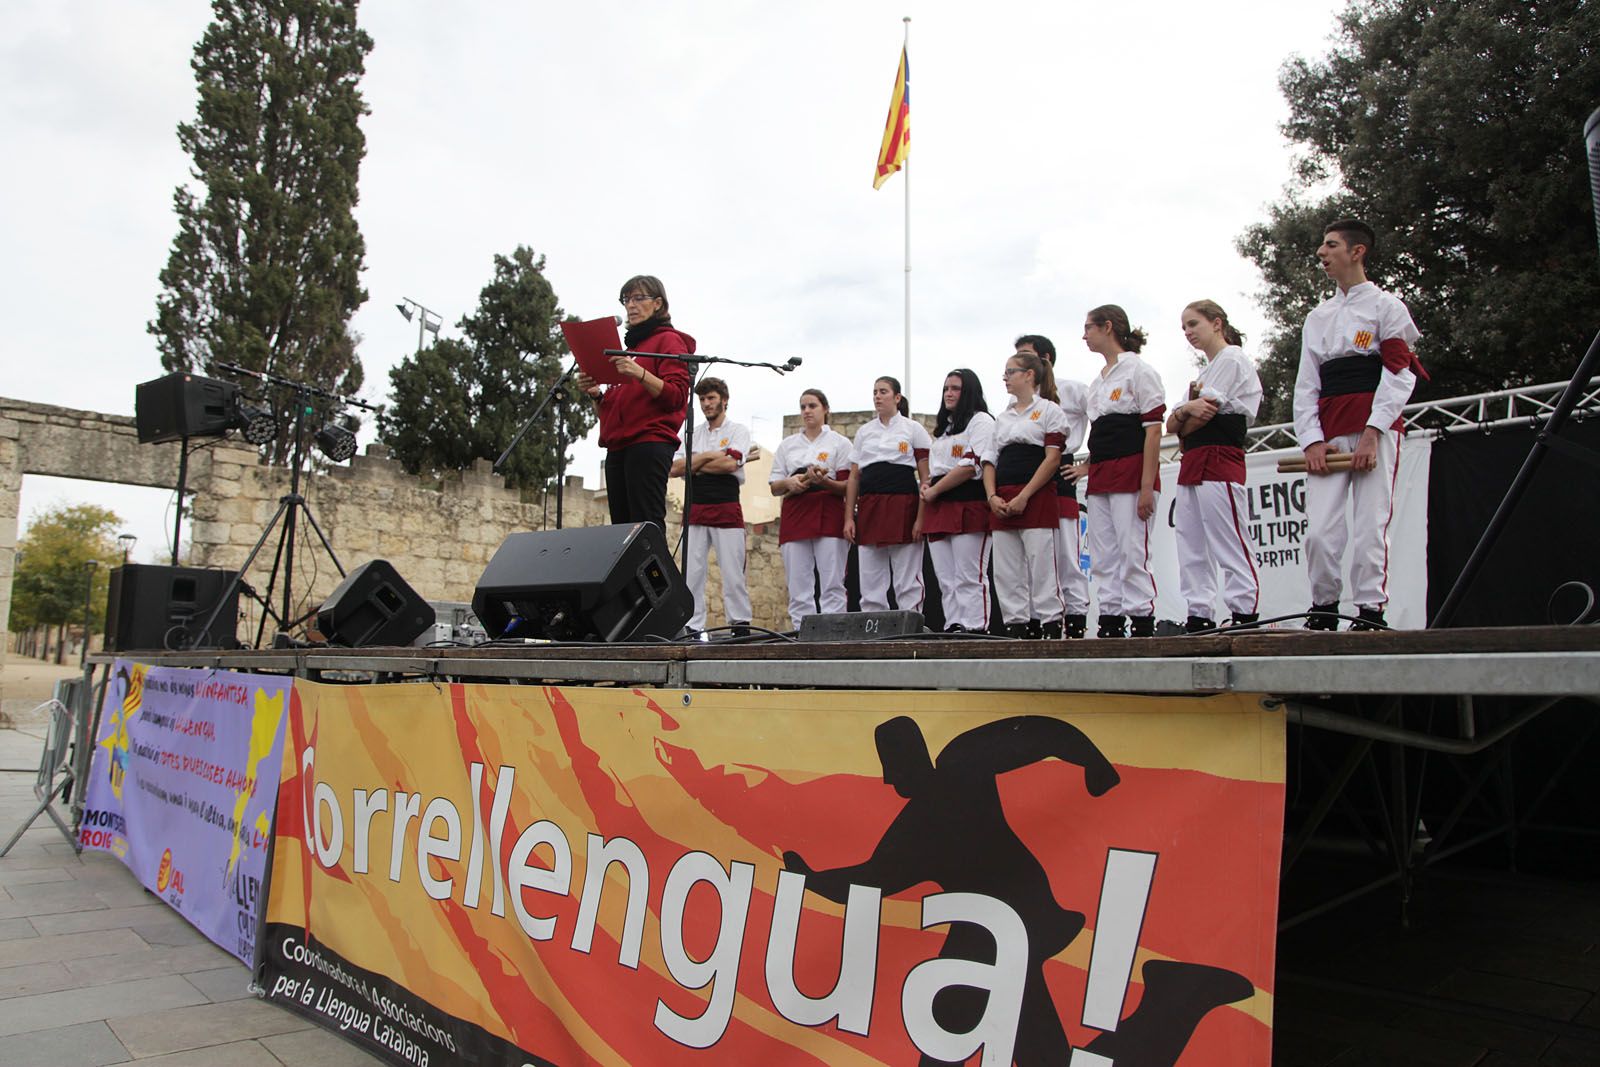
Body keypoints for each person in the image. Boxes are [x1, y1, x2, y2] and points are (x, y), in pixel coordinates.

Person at [1293, 220, 1425, 631]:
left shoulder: (1387, 307)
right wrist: (1313, 441)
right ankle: (1324, 607)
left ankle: (1370, 611)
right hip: (1330, 432)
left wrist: (1374, 431)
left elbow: (1400, 372)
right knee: (1319, 531)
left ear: (1357, 251)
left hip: (1375, 429)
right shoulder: (1318, 317)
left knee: (1371, 525)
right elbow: (1306, 384)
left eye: (1331, 245)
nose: (1321, 253)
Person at [1167, 300, 1263, 633]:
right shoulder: (1203, 374)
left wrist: (1184, 416)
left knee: (1228, 538)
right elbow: (1174, 425)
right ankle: (1199, 612)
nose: (1188, 332)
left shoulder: (1232, 358)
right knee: (1191, 542)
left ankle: (1244, 611)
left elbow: (1202, 414)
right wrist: (1183, 415)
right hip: (1194, 461)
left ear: (1217, 323)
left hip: (1220, 456)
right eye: (1184, 327)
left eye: (1193, 324)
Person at [1074, 305, 1166, 638]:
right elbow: (1100, 436)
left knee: (1133, 550)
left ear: (1108, 327)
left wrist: (1146, 486)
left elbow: (1153, 431)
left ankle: (1141, 618)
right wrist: (1088, 467)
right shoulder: (1097, 383)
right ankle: (1110, 618)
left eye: (1089, 328)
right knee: (1103, 553)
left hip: (1131, 471)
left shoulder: (1138, 371)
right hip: (1101, 477)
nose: (1084, 335)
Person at [575, 275, 693, 530]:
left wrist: (639, 373)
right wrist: (596, 394)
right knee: (622, 532)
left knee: (645, 527)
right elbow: (613, 412)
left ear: (658, 304)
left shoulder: (668, 341)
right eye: (626, 300)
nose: (630, 305)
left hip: (649, 444)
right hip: (618, 447)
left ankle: (658, 572)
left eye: (639, 298)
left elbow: (676, 396)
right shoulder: (630, 350)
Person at [984, 352, 1070, 638]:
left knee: (1042, 563)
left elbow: (1052, 459)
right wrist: (992, 496)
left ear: (1029, 375)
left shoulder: (1048, 410)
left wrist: (1025, 495)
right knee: (1006, 570)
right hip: (1003, 494)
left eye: (1011, 371)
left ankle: (1051, 624)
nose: (1006, 377)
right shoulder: (1003, 417)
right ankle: (1015, 626)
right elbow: (990, 461)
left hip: (1035, 493)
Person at [1017, 335, 1090, 638]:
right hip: (1029, 474)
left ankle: (1075, 620)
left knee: (1066, 554)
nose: (1020, 366)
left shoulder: (1074, 390)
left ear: (1045, 359)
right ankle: (1039, 621)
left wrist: (1088, 465)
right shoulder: (1018, 401)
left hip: (1060, 470)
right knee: (1035, 555)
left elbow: (1104, 421)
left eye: (1026, 357)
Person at [844, 377, 931, 613]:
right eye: (874, 392)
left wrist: (921, 518)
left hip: (904, 504)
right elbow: (854, 477)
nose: (877, 396)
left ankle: (911, 623)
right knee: (870, 577)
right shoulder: (864, 432)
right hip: (870, 506)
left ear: (897, 397)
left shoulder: (913, 429)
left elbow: (925, 477)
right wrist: (849, 518)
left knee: (907, 577)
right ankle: (874, 627)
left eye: (883, 391)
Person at [670, 377, 750, 635]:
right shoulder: (691, 433)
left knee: (732, 571)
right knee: (692, 572)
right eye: (702, 399)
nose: (706, 404)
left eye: (711, 398)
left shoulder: (738, 430)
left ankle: (739, 624)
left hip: (726, 504)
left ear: (724, 400)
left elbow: (730, 465)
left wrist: (696, 463)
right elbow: (675, 468)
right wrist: (709, 456)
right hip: (696, 506)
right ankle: (693, 626)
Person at [770, 389, 852, 631]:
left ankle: (833, 631)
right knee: (798, 583)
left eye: (812, 406)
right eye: (803, 406)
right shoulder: (788, 445)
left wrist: (823, 481)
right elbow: (775, 486)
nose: (806, 411)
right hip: (796, 513)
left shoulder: (840, 443)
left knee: (832, 582)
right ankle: (801, 631)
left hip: (829, 511)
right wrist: (790, 483)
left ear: (825, 409)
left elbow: (848, 486)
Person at [920, 370, 996, 633]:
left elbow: (971, 465)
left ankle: (976, 628)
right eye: (946, 389)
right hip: (939, 506)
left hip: (968, 503)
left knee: (969, 576)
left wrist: (935, 489)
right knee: (946, 578)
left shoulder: (981, 421)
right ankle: (954, 625)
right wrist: (929, 485)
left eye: (955, 388)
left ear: (969, 392)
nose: (949, 394)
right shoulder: (944, 430)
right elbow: (936, 466)